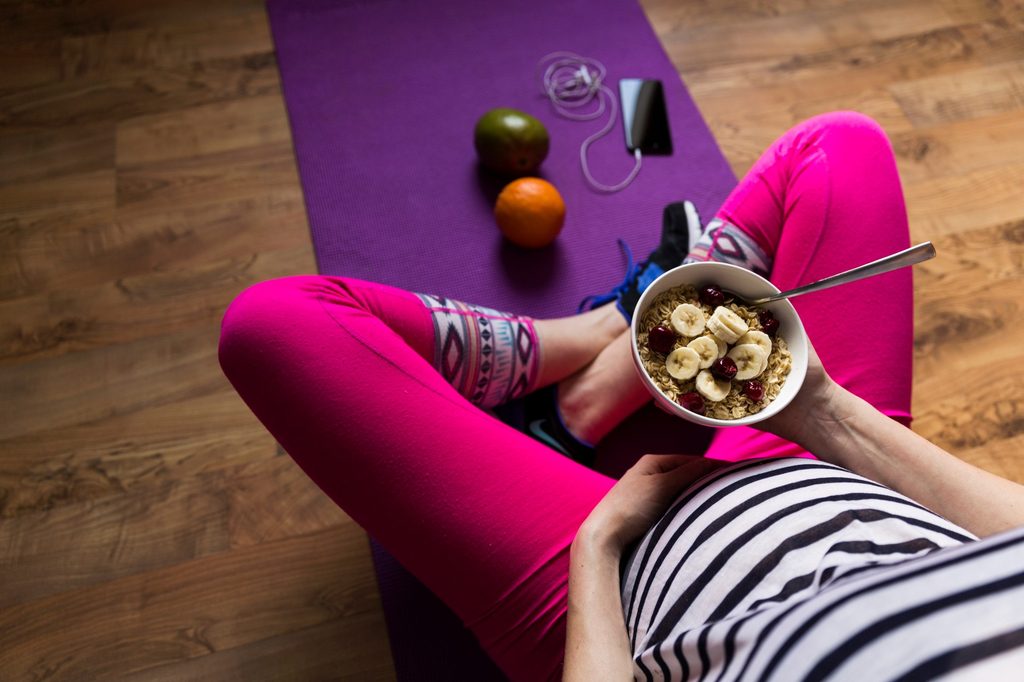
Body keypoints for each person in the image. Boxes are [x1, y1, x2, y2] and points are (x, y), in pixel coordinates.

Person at [218, 112, 1024, 681]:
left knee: (272, 325)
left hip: (635, 590)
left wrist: (599, 546)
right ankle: (619, 337)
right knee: (840, 146)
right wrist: (824, 410)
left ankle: (598, 344)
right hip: (842, 468)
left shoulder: (607, 555)